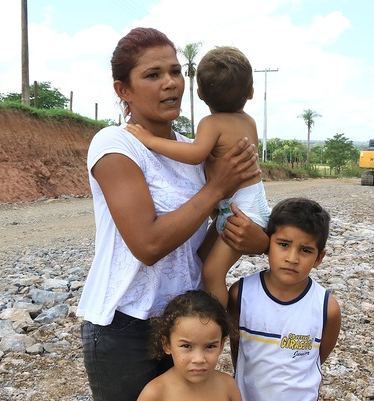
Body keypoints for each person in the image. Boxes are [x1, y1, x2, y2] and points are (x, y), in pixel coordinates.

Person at [76, 27, 269, 401]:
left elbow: (204, 239)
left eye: (176, 71)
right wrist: (217, 188)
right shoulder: (115, 144)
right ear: (122, 91)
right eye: (153, 75)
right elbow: (148, 245)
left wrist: (256, 238)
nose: (170, 84)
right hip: (125, 326)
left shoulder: (195, 148)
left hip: (188, 329)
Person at [126, 46, 270, 307]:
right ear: (250, 92)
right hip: (245, 208)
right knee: (200, 259)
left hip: (240, 213)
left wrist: (149, 140)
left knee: (211, 273)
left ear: (200, 93)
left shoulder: (211, 124)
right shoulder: (248, 121)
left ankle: (222, 327)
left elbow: (195, 154)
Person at [227, 197, 342, 401]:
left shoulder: (326, 308)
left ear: (319, 258)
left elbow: (317, 358)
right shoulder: (241, 294)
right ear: (267, 244)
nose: (292, 258)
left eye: (305, 250)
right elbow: (238, 347)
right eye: (283, 244)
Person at [137, 290, 242, 401]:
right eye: (186, 346)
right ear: (167, 344)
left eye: (210, 346)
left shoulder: (228, 386)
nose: (199, 359)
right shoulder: (155, 393)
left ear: (221, 345)